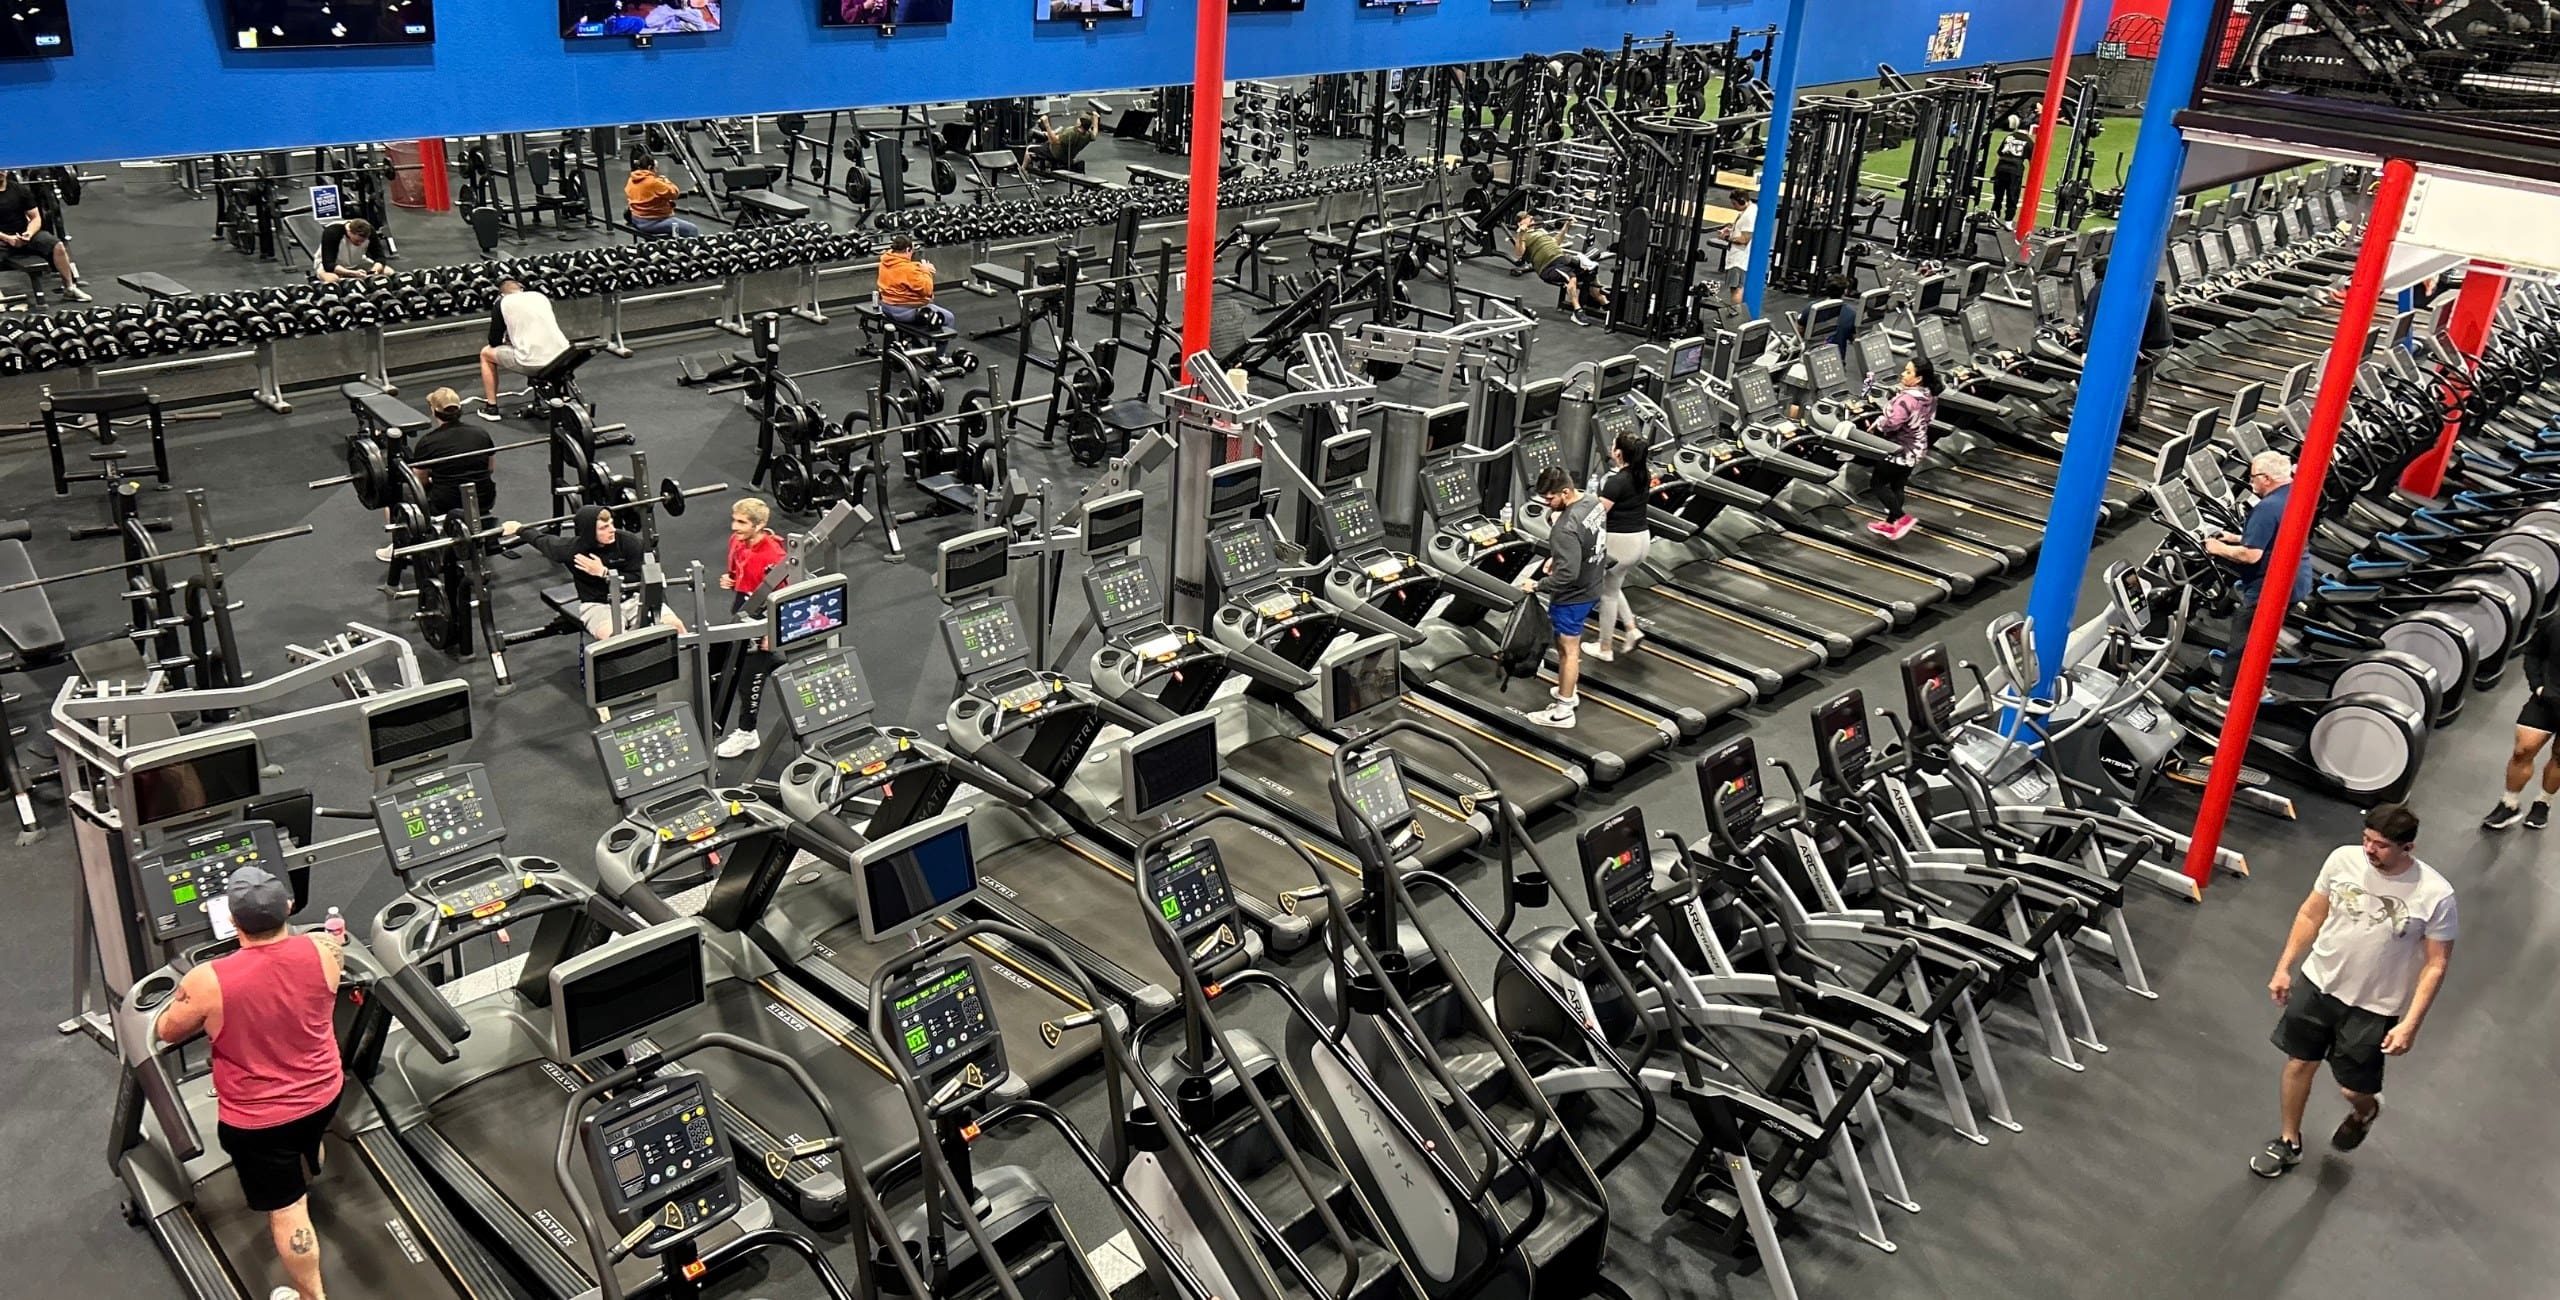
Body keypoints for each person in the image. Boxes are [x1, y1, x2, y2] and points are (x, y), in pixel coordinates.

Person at [152, 866, 344, 1300]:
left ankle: (312, 1297)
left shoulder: (206, 980)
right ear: (289, 908)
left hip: (260, 1124)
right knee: (309, 1133)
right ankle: (311, 1160)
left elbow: (167, 1030)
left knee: (288, 1209)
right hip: (326, 1091)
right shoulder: (326, 949)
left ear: (232, 922)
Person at [2252, 803, 2456, 1178]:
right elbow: (2311, 914)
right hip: (2319, 982)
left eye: (2380, 845)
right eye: (2366, 839)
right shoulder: (2342, 860)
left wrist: (2410, 1024)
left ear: (2407, 848)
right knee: (2299, 1062)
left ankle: (2366, 1111)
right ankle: (2288, 1141)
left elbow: (2435, 964)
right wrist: (2284, 967)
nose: (2369, 849)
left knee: (2351, 1088)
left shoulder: (2436, 895)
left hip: (2373, 1006)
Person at [2202, 450, 2317, 703]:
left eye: (2253, 478)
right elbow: (2274, 537)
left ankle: (2226, 697)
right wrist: (2235, 538)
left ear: (2266, 478)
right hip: (2297, 580)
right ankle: (2255, 678)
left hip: (2270, 587)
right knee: (2265, 635)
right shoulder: (2295, 494)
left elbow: (2250, 555)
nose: (2251, 483)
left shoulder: (2267, 507)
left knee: (2243, 639)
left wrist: (2217, 548)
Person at [502, 504, 688, 641]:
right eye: (604, 528)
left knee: (676, 627)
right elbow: (542, 541)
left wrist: (604, 573)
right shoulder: (571, 550)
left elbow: (643, 577)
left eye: (612, 524)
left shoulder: (629, 542)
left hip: (634, 597)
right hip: (597, 605)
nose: (612, 530)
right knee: (614, 640)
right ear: (590, 531)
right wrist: (518, 529)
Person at [1516, 466, 1608, 730]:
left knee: (1568, 652)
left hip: (1573, 596)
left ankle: (1564, 710)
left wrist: (1537, 585)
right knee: (1568, 647)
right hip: (1593, 583)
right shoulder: (1592, 502)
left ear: (1566, 492)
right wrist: (1557, 558)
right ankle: (1567, 690)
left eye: (1550, 499)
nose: (1547, 504)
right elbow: (1587, 542)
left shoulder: (1565, 528)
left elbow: (1567, 575)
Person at [712, 498, 790, 758]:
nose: (735, 527)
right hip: (742, 611)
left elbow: (784, 599)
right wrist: (730, 580)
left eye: (742, 522)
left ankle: (748, 733)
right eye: (734, 520)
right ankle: (789, 668)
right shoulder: (736, 541)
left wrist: (772, 632)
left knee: (747, 679)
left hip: (763, 619)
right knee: (736, 666)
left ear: (760, 525)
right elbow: (737, 574)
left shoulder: (775, 557)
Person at [2483, 611, 2560, 830]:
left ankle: (2543, 802)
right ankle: (2509, 804)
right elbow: (2533, 653)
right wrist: (2537, 686)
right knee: (2523, 750)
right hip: (2545, 701)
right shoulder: (2554, 622)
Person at [1584, 429, 1653, 663]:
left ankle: (1604, 648)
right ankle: (1632, 629)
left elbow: (1597, 515)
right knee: (1613, 586)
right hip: (1642, 540)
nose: (1611, 448)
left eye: (1613, 445)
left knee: (1607, 595)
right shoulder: (1642, 473)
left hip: (1620, 543)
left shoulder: (1615, 481)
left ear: (1619, 454)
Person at [1861, 358, 1942, 540]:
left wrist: (1878, 423)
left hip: (1900, 450)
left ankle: (1901, 518)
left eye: (1908, 372)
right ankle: (1890, 525)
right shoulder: (1929, 395)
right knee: (1898, 485)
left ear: (1918, 378)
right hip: (1918, 447)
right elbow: (1928, 418)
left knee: (1878, 484)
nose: (1902, 374)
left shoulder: (1906, 399)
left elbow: (1892, 424)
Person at [478, 279, 572, 422]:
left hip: (532, 362)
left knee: (485, 353)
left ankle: (491, 408)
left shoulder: (502, 303)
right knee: (548, 347)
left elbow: (494, 341)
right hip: (564, 357)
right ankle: (563, 396)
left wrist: (508, 342)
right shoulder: (540, 297)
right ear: (521, 289)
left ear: (502, 294)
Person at [0, 169, 90, 301]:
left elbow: (35, 217)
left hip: (23, 234)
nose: (1, 172)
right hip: (2, 239)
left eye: (2, 169)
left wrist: (29, 233)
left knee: (57, 245)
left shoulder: (19, 190)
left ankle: (70, 288)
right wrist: (8, 238)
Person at [1513, 212, 1607, 324]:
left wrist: (1566, 226)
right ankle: (1577, 311)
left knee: (1591, 271)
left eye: (1529, 216)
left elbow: (1555, 242)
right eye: (1526, 217)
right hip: (1548, 267)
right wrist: (1520, 234)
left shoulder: (1540, 231)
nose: (1530, 218)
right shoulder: (1523, 237)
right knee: (1571, 277)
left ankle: (1603, 302)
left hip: (1562, 259)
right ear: (1520, 223)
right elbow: (1519, 253)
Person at [875, 234, 956, 358]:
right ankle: (938, 357)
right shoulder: (909, 270)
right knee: (949, 318)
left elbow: (905, 269)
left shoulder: (885, 261)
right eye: (911, 251)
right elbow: (927, 290)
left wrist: (919, 267)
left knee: (925, 308)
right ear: (908, 250)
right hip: (903, 312)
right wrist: (926, 271)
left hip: (886, 307)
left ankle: (915, 344)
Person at [623, 154, 701, 239]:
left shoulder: (631, 179)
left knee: (676, 225)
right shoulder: (654, 183)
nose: (656, 171)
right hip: (653, 222)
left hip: (636, 219)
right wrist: (666, 182)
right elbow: (675, 193)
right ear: (650, 168)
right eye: (655, 168)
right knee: (692, 229)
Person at [314, 217, 386, 284]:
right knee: (333, 280)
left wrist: (374, 271)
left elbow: (380, 258)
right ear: (349, 232)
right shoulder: (332, 232)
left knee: (388, 272)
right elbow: (328, 265)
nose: (360, 243)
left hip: (358, 262)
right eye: (357, 241)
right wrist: (352, 273)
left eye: (363, 241)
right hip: (329, 264)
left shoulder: (369, 231)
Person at [1987, 117, 2033, 222]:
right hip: (2015, 170)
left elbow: (2000, 152)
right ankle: (2008, 220)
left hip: (2001, 168)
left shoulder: (2009, 137)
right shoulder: (2029, 141)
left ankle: (1994, 215)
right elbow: (2032, 160)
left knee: (1998, 195)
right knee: (2012, 196)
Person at [1032, 111, 1100, 171]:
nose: (1077, 119)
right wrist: (1095, 119)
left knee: (1029, 149)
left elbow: (1053, 141)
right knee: (1050, 134)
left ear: (1080, 124)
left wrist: (1047, 124)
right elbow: (1094, 134)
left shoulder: (1071, 132)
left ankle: (1023, 171)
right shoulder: (1088, 135)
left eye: (1078, 119)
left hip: (1055, 154)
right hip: (1067, 158)